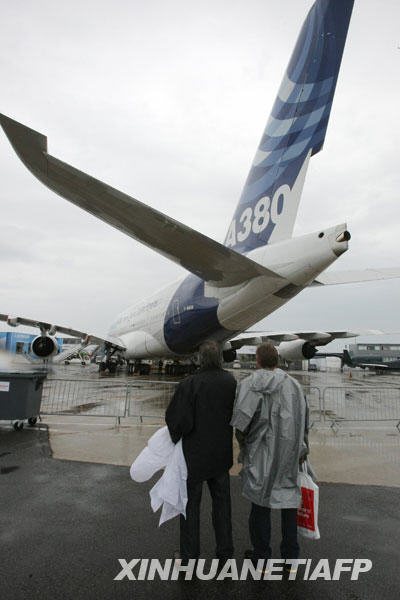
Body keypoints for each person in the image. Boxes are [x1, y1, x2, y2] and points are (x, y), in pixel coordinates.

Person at [230, 343, 309, 571]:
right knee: (289, 503)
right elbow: (305, 421)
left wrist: (245, 447)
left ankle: (262, 556)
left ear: (257, 360)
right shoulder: (294, 386)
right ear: (278, 359)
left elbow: (241, 424)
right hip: (290, 453)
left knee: (261, 504)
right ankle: (291, 558)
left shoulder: (249, 384)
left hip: (260, 454)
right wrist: (303, 449)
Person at [165, 340, 237, 563]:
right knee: (222, 506)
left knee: (191, 506)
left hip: (195, 456)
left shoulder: (191, 383)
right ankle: (225, 552)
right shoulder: (230, 381)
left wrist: (176, 437)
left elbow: (178, 419)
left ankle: (189, 555)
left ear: (200, 359)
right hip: (221, 455)